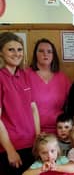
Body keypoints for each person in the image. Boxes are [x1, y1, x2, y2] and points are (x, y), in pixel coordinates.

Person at [0, 32, 40, 175]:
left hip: (31, 144)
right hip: (10, 147)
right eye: (11, 49)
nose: (16, 53)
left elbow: (33, 109)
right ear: (1, 53)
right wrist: (10, 150)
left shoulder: (25, 75)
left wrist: (38, 138)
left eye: (19, 49)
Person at [27, 38, 71, 134]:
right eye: (41, 51)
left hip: (60, 131)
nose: (45, 54)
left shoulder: (62, 77)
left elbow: (73, 103)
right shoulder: (25, 75)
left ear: (53, 55)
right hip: (32, 131)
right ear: (35, 54)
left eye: (49, 51)